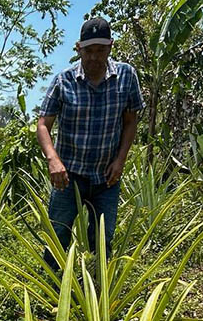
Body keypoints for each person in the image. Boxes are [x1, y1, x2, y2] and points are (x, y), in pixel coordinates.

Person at [36, 16, 144, 269]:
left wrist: (120, 160)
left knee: (103, 239)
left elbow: (131, 122)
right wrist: (53, 160)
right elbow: (43, 125)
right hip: (68, 175)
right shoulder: (63, 80)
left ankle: (97, 286)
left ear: (111, 47)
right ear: (78, 48)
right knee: (57, 236)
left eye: (100, 50)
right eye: (88, 51)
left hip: (107, 177)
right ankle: (51, 285)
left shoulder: (126, 76)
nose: (94, 57)